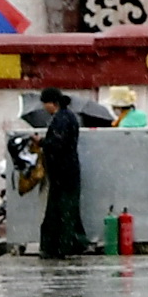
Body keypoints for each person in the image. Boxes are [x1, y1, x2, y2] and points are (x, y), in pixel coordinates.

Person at [30, 90, 88, 260]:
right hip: (65, 172)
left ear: (52, 103)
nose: (43, 107)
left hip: (63, 173)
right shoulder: (66, 117)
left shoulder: (62, 119)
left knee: (62, 211)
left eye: (45, 103)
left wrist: (41, 142)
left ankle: (61, 246)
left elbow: (57, 143)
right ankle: (67, 245)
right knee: (65, 210)